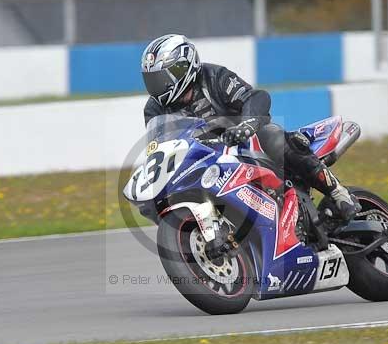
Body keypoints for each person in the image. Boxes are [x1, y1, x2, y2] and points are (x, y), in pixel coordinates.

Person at [141, 34, 360, 221]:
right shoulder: (154, 109)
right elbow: (160, 146)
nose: (157, 86)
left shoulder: (213, 77)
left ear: (182, 68)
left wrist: (247, 124)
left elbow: (254, 97)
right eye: (152, 79)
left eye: (161, 78)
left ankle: (338, 193)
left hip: (245, 147)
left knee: (272, 135)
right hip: (206, 163)